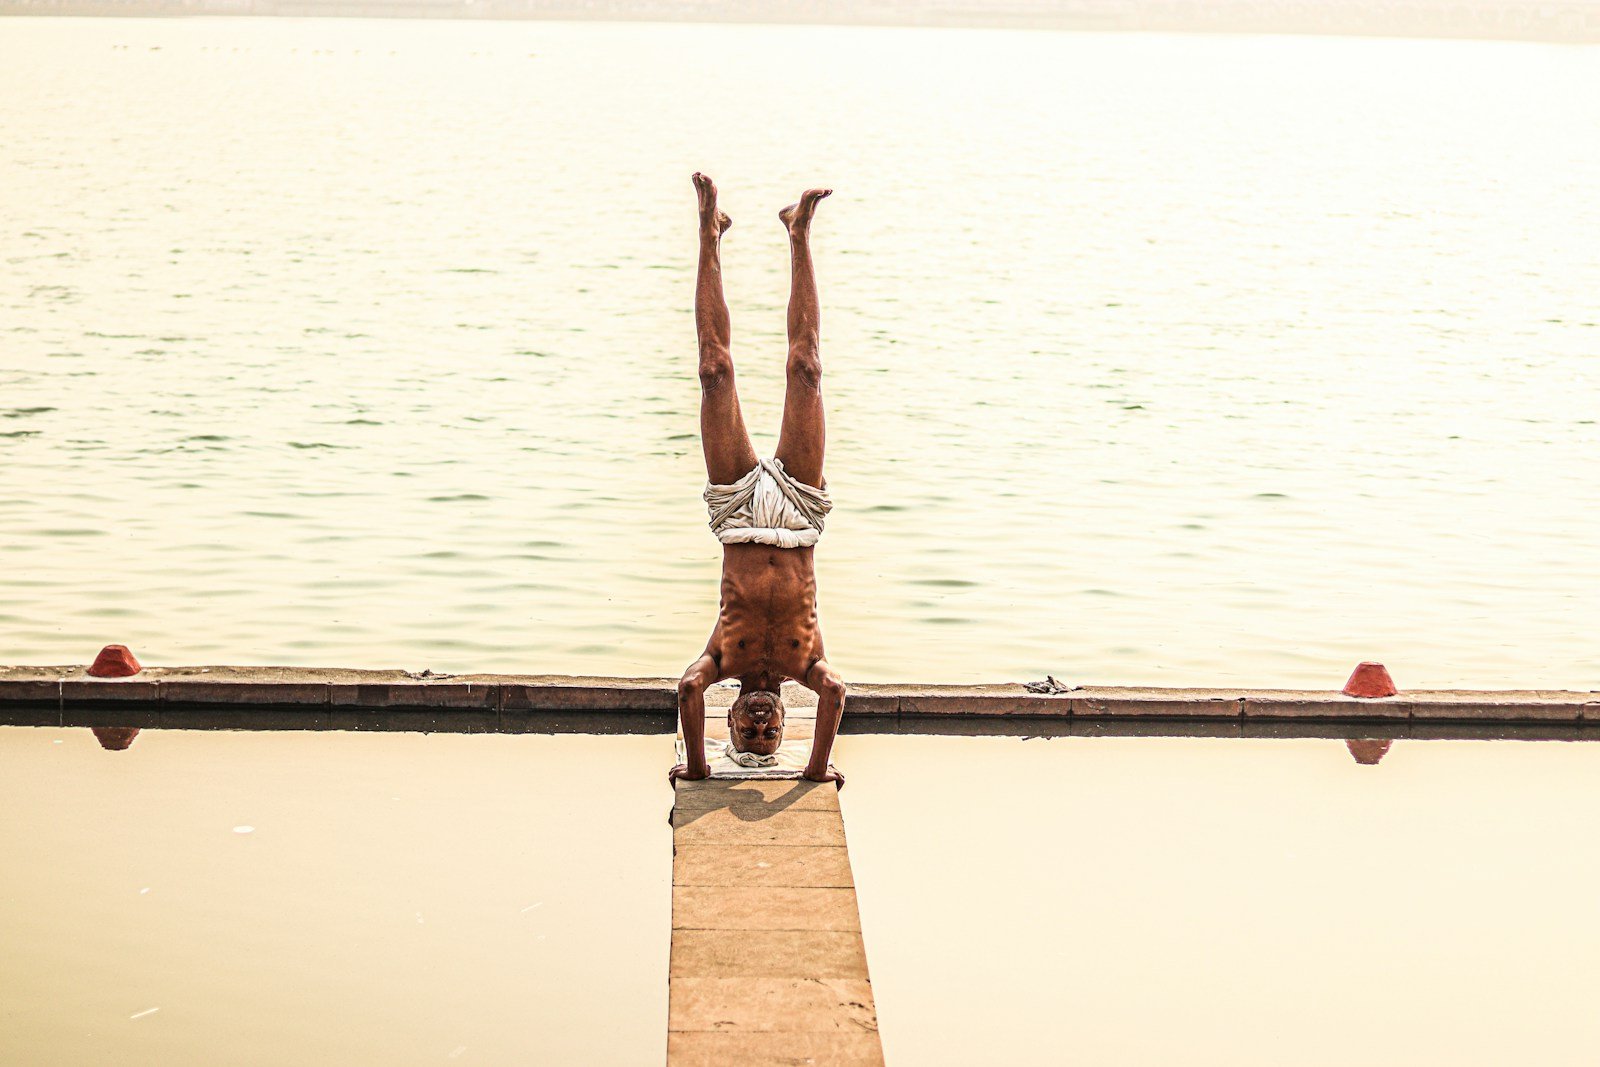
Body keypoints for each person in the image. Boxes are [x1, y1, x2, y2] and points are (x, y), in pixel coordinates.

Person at [668, 173, 846, 788]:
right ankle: (797, 234)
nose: (762, 727)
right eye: (772, 734)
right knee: (807, 369)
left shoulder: (718, 662)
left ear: (733, 716)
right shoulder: (811, 666)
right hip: (800, 513)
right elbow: (838, 693)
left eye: (750, 730)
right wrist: (815, 771)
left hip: (738, 518)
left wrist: (697, 769)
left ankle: (708, 233)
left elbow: (688, 688)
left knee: (714, 370)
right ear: (785, 725)